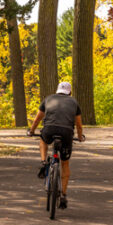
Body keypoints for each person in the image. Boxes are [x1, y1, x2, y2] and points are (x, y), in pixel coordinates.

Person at [27, 81, 85, 209]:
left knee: (43, 139)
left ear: (57, 90)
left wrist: (31, 131)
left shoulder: (48, 99)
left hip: (49, 129)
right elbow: (79, 125)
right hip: (66, 133)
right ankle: (63, 195)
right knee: (65, 163)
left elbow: (38, 119)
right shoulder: (74, 102)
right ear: (69, 92)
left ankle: (43, 162)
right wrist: (80, 137)